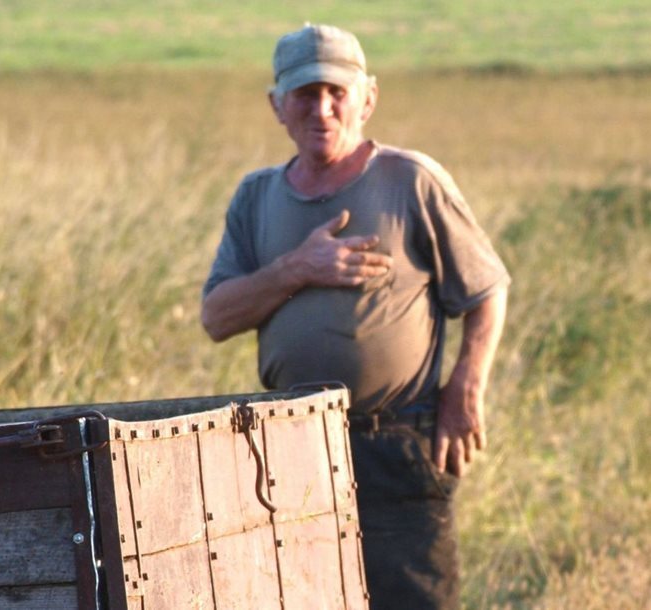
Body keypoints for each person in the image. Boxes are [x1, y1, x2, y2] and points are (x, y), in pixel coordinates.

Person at [200, 24, 509, 610]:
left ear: (367, 99)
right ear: (277, 106)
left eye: (336, 93)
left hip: (394, 443)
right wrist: (297, 268)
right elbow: (216, 317)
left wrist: (466, 389)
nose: (321, 109)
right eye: (305, 94)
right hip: (288, 448)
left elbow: (487, 291)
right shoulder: (256, 196)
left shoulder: (411, 180)